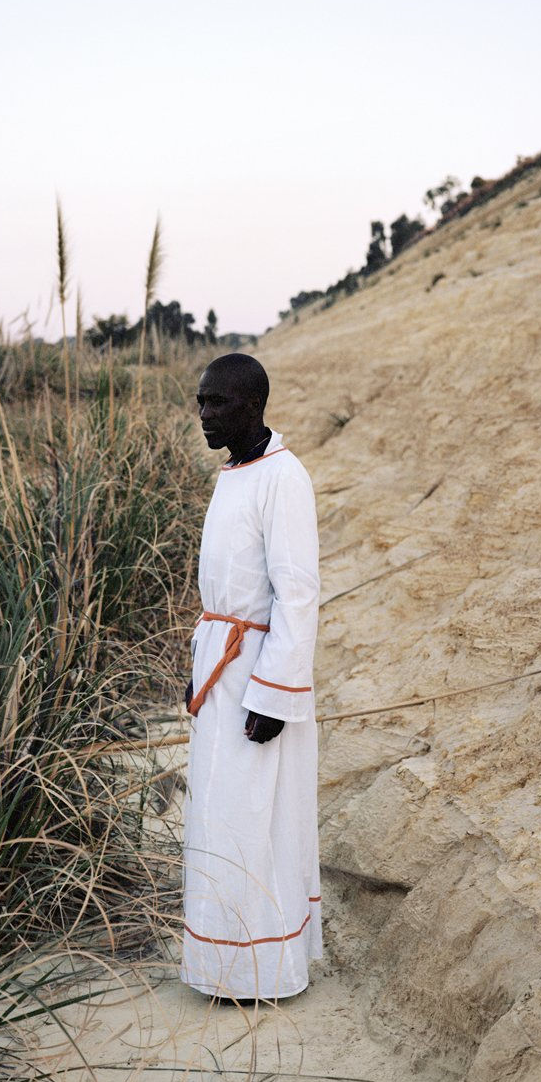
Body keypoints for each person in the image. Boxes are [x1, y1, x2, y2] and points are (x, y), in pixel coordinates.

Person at [180, 352, 321, 1001]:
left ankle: (263, 970)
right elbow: (219, 593)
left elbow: (297, 594)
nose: (205, 415)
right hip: (221, 666)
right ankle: (219, 967)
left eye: (218, 403)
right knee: (216, 815)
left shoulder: (283, 478)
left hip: (258, 678)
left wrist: (274, 696)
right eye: (201, 402)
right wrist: (199, 664)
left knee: (254, 818)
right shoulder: (232, 475)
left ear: (254, 406)